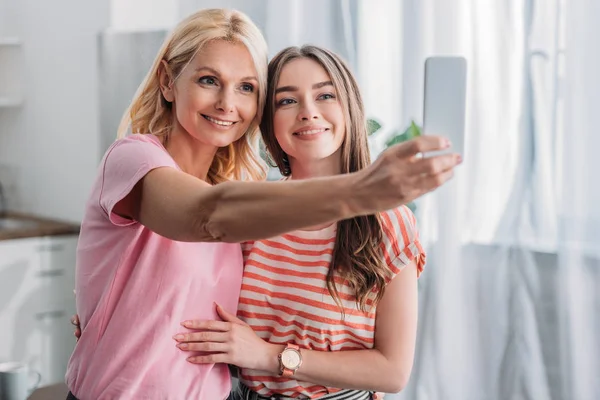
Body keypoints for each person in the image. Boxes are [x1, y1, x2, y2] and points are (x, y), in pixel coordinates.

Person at [67, 8, 460, 400]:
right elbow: (207, 216)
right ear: (168, 82)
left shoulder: (244, 200)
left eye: (246, 88)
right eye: (208, 80)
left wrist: (112, 308)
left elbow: (199, 303)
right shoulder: (138, 161)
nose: (226, 103)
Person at [173, 45, 430, 400]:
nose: (308, 113)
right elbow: (206, 315)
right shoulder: (251, 212)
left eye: (325, 95)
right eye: (287, 101)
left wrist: (269, 356)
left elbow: (392, 371)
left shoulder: (387, 220)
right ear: (268, 121)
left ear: (350, 108)